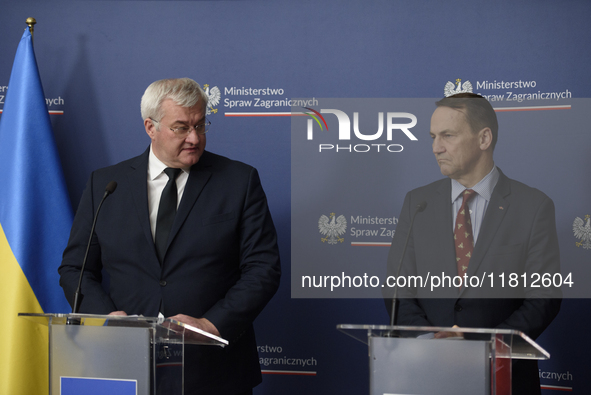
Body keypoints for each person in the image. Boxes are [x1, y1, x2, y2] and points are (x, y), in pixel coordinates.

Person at [59, 78, 281, 395]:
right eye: (181, 127)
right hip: (125, 364)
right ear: (151, 127)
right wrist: (107, 317)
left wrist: (212, 324)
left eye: (200, 126)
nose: (194, 138)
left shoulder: (239, 181)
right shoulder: (106, 185)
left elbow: (263, 269)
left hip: (215, 371)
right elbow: (75, 270)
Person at [384, 93, 561, 394]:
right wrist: (433, 342)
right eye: (433, 137)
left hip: (504, 376)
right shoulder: (418, 202)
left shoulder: (533, 206)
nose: (435, 147)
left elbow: (544, 298)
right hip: (428, 373)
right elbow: (397, 289)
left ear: (484, 139)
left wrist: (478, 347)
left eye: (447, 136)